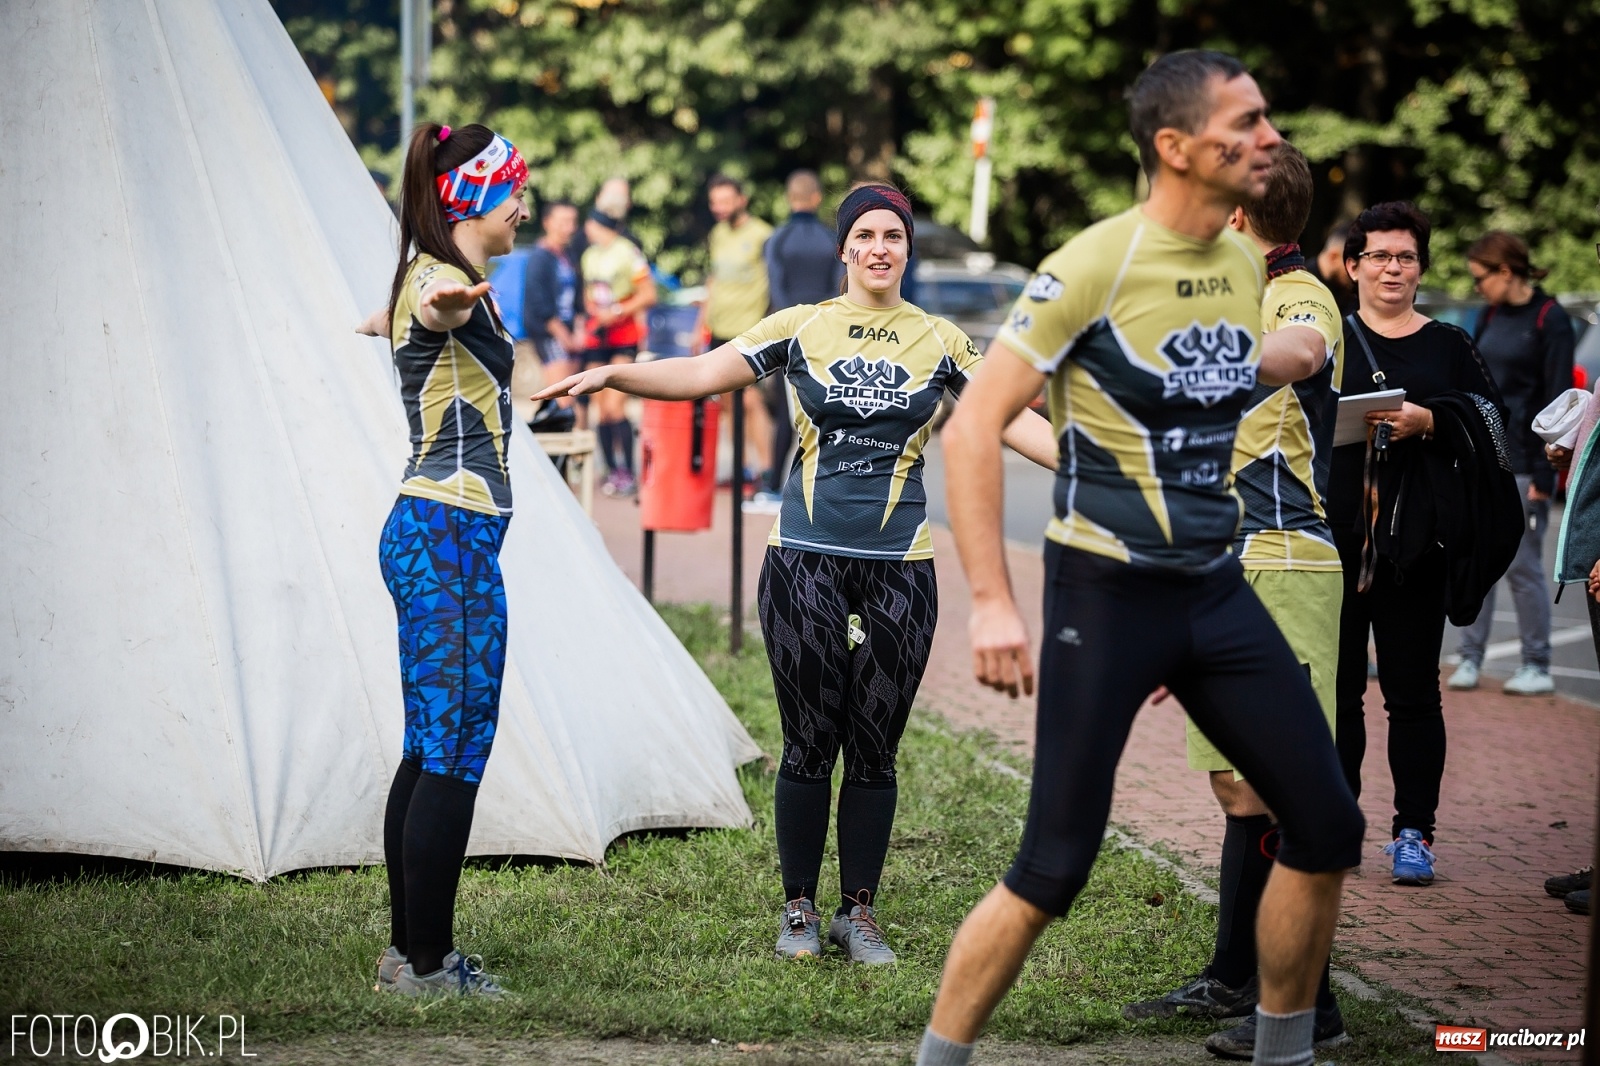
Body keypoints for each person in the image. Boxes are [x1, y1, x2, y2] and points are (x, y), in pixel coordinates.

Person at [919, 52, 1364, 1066]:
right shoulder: (1093, 263)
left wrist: (1288, 354)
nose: (1266, 139)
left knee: (1325, 823)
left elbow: (1230, 377)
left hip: (1216, 590)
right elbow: (972, 426)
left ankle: (1284, 1050)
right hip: (1105, 594)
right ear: (1175, 147)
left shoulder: (1248, 265)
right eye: (1243, 123)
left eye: (1265, 121)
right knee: (1052, 869)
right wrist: (991, 601)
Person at [535, 183, 1058, 968]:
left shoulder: (943, 340)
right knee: (809, 741)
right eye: (866, 235)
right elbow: (705, 372)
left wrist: (1108, 471)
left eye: (894, 236)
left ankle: (861, 913)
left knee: (875, 747)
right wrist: (614, 375)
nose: (880, 247)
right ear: (844, 248)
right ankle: (800, 911)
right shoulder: (799, 327)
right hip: (801, 562)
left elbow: (1011, 421)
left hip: (900, 568)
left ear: (907, 249)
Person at [1122, 141, 1351, 1058]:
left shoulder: (1295, 290)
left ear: (1240, 216)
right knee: (1235, 785)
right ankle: (1233, 973)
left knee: (1283, 785)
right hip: (1223, 568)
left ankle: (1311, 1006)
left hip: (1288, 569)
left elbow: (1299, 350)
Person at [356, 121, 530, 997]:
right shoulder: (439, 279)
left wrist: (407, 318)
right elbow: (432, 309)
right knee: (456, 748)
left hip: (440, 533)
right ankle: (427, 964)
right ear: (478, 198)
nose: (524, 205)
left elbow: (413, 317)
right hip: (446, 536)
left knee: (432, 745)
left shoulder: (430, 275)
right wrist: (440, 309)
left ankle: (406, 954)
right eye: (516, 190)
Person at [1328, 202, 1507, 888]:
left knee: (1413, 695)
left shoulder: (1450, 345)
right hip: (1338, 539)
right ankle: (1339, 822)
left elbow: (1496, 423)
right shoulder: (1330, 340)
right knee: (1340, 692)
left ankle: (1414, 832)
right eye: (1378, 256)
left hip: (1415, 544)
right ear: (1353, 267)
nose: (1393, 268)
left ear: (1421, 268)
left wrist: (1429, 419)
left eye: (1405, 257)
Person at [1447, 231, 1575, 696]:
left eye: (1481, 277)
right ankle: (1470, 657)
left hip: (1526, 463)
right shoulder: (1490, 314)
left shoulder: (1550, 318)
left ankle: (1536, 664)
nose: (1476, 286)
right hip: (1485, 458)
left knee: (1522, 565)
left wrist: (1546, 476)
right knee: (1475, 557)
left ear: (1505, 271)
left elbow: (1559, 398)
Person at [748, 169, 845, 513]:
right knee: (823, 410)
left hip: (787, 334)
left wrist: (787, 329)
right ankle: (823, 485)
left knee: (787, 415)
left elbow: (776, 289)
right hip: (828, 334)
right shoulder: (832, 239)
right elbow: (839, 288)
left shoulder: (777, 239)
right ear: (817, 199)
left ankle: (774, 486)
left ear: (790, 199)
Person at [696, 174, 775, 495]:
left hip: (750, 331)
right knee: (728, 403)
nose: (719, 207)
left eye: (725, 201)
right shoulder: (717, 234)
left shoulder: (763, 235)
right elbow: (713, 281)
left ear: (741, 200)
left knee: (753, 402)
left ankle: (767, 471)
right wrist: (699, 326)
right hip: (720, 330)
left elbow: (775, 283)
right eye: (714, 201)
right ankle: (742, 470)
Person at [580, 207, 656, 494]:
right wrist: (593, 313)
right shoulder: (590, 255)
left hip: (623, 335)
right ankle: (610, 471)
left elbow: (649, 294)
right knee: (601, 408)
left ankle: (628, 471)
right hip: (597, 336)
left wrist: (619, 310)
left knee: (615, 405)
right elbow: (589, 294)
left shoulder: (627, 251)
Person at [522, 200, 582, 413]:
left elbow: (577, 299)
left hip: (570, 332)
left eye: (572, 221)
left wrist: (578, 330)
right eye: (563, 221)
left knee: (576, 394)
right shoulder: (539, 257)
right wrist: (563, 335)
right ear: (548, 222)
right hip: (550, 334)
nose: (570, 227)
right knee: (563, 397)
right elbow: (538, 303)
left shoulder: (568, 256)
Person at [1314, 223, 1356, 315]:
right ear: (1333, 257)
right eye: (1353, 266)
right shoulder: (1298, 284)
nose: (1356, 274)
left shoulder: (1348, 291)